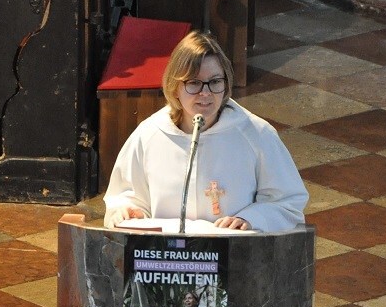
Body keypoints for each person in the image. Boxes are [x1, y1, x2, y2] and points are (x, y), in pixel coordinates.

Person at [103, 31, 308, 231]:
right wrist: (130, 212)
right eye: (194, 83)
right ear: (174, 86)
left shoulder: (256, 134)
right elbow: (126, 197)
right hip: (167, 252)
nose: (206, 93)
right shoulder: (149, 135)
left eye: (215, 82)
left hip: (234, 250)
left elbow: (287, 202)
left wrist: (251, 219)